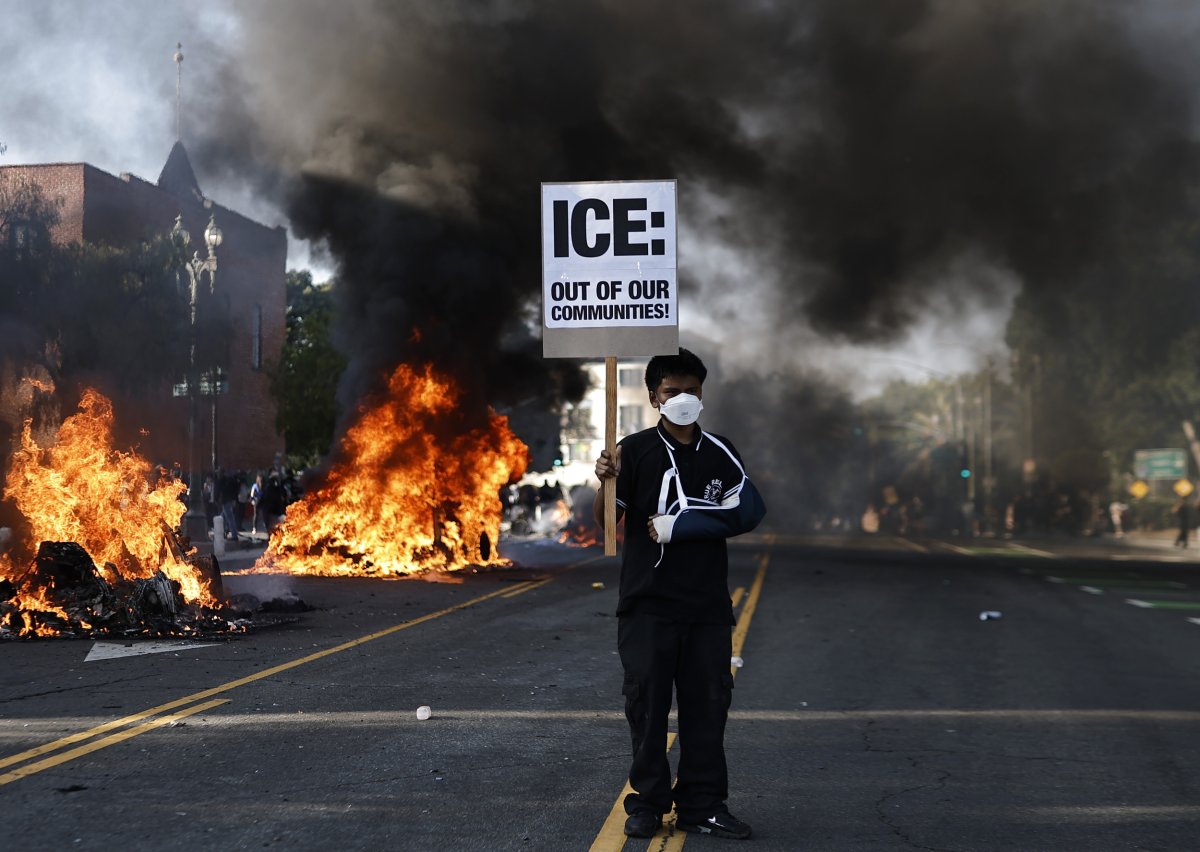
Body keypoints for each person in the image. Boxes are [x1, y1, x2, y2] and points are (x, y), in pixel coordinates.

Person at [593, 349, 766, 841]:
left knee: (708, 707)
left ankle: (703, 805)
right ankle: (647, 802)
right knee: (646, 707)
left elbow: (749, 511)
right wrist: (604, 482)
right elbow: (606, 525)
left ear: (702, 394)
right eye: (672, 392)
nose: (683, 399)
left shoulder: (720, 451)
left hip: (707, 607)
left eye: (691, 390)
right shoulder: (634, 450)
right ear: (653, 398)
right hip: (647, 605)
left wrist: (682, 525)